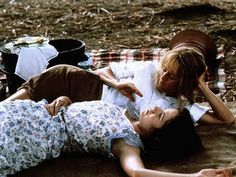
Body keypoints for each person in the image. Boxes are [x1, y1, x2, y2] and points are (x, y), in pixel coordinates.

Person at [4, 29, 235, 125]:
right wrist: (118, 83)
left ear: (184, 82)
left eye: (172, 76)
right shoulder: (148, 68)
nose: (163, 76)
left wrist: (201, 86)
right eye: (165, 68)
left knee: (39, 115)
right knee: (55, 77)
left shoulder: (178, 106)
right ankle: (4, 107)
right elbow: (101, 71)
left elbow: (227, 120)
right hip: (90, 87)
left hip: (93, 113)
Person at [0, 96, 232, 177]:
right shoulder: (125, 111)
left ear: (159, 138)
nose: (155, 109)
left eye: (160, 117)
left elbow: (137, 172)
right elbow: (84, 110)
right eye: (162, 108)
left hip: (37, 135)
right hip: (33, 111)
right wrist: (65, 99)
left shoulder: (127, 142)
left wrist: (196, 176)